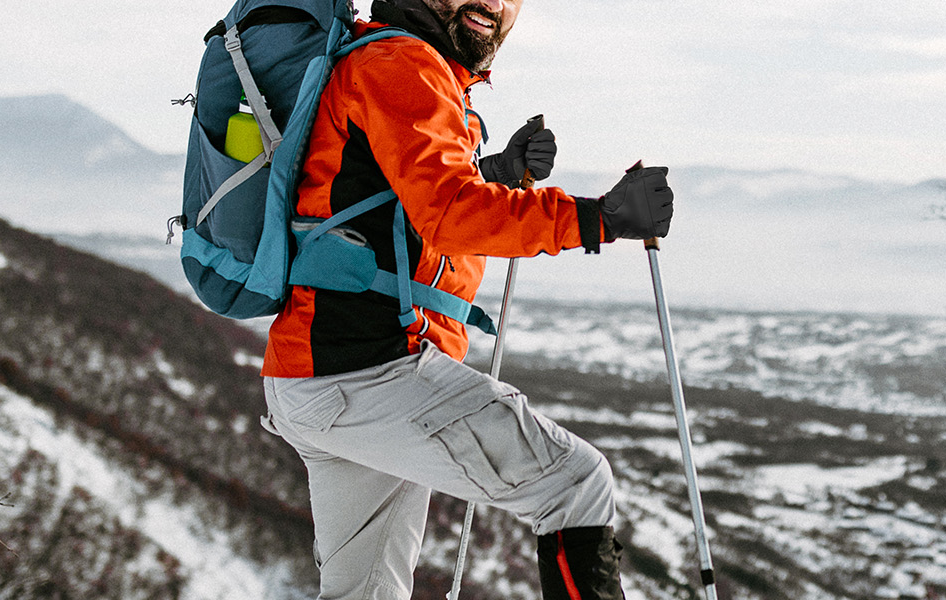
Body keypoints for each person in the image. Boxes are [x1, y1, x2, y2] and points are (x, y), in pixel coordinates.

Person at [259, 0, 673, 598]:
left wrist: (497, 173)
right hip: (368, 371)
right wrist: (599, 219)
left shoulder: (398, 66)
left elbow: (402, 202)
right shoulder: (403, 63)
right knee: (574, 484)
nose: (494, 4)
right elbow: (451, 213)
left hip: (320, 380)